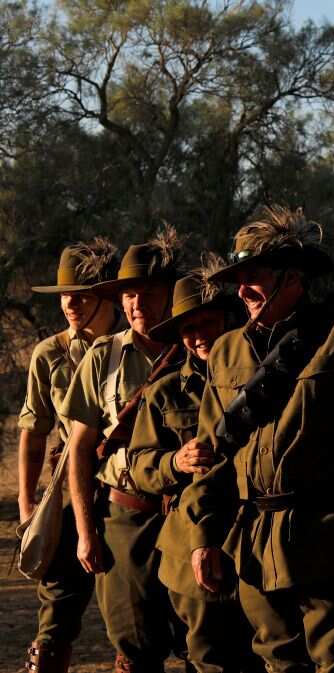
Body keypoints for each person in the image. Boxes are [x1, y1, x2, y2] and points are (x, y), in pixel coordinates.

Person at [179, 205, 334, 671]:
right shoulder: (226, 351)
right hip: (256, 546)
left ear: (293, 278)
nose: (243, 291)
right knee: (277, 665)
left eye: (254, 277)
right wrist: (203, 535)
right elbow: (212, 455)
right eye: (238, 280)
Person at [60, 229, 187, 673]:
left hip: (190, 516)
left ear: (171, 295)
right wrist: (85, 531)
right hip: (125, 520)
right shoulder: (103, 357)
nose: (137, 304)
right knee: (134, 648)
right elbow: (79, 451)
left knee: (203, 643)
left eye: (148, 293)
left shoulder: (200, 348)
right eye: (129, 294)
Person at [127, 260, 259, 673]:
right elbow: (139, 466)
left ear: (227, 321)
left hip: (253, 539)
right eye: (189, 328)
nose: (200, 336)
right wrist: (175, 461)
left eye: (208, 323)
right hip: (189, 551)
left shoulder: (261, 377)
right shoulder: (165, 393)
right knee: (209, 659)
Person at [18, 239, 119, 673]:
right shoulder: (50, 354)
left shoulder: (137, 345)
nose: (70, 304)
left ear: (107, 295)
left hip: (128, 492)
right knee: (55, 617)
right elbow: (33, 433)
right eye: (63, 295)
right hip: (70, 491)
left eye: (81, 294)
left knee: (134, 619)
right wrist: (27, 504)